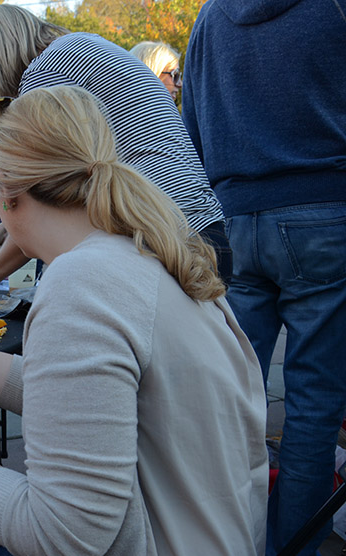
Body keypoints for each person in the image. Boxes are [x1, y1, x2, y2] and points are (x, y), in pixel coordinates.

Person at [0, 86, 267, 556]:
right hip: (216, 537)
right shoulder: (143, 250)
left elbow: (60, 538)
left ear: (6, 194)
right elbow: (71, 395)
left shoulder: (80, 283)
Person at [181, 2, 346, 554]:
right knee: (314, 404)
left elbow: (192, 136)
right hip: (324, 213)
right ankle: (297, 546)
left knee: (225, 395)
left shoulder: (209, 20)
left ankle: (220, 537)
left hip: (234, 222)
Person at [0, 4, 230, 292]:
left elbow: (46, 211)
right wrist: (5, 228)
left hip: (169, 243)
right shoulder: (77, 49)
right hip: (199, 230)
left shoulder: (43, 77)